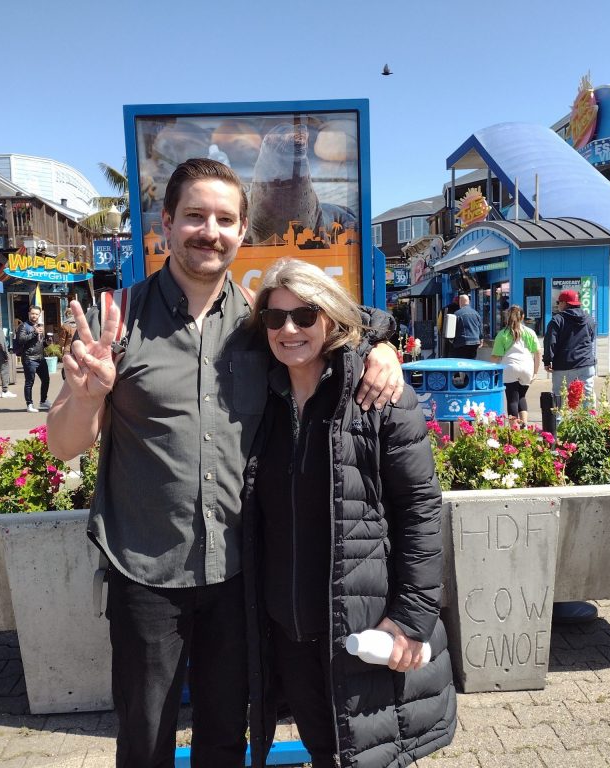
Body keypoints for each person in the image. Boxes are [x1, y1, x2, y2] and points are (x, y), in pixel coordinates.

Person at [46, 158, 403, 768]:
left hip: (239, 574)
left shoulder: (259, 321)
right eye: (194, 216)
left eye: (224, 219)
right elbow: (63, 444)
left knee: (224, 739)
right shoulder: (120, 320)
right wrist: (87, 397)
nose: (209, 231)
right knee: (146, 739)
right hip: (146, 570)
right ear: (166, 223)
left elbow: (334, 326)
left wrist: (385, 348)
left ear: (242, 233)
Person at [243, 259, 456, 768]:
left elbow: (420, 509)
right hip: (290, 630)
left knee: (370, 757)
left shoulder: (378, 395)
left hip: (363, 624)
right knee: (324, 752)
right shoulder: (260, 398)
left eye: (305, 315)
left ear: (332, 318)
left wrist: (411, 618)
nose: (289, 329)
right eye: (276, 319)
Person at [491, 304, 542, 425]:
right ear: (523, 317)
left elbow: (496, 356)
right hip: (527, 367)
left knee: (512, 399)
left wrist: (490, 370)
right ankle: (524, 426)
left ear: (507, 317)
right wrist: (535, 372)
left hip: (509, 367)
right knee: (522, 396)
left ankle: (514, 430)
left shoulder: (502, 334)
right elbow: (538, 353)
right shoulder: (530, 332)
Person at [543, 289, 597, 403]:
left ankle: (559, 421)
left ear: (564, 303)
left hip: (563, 365)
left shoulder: (557, 320)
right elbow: (591, 338)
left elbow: (550, 342)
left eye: (558, 302)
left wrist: (547, 361)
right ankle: (588, 420)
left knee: (560, 400)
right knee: (587, 399)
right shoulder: (588, 319)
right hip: (585, 364)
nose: (557, 305)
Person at [15, 305, 50, 413]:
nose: (34, 316)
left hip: (40, 357)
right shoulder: (23, 326)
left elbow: (39, 342)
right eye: (32, 313)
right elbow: (20, 340)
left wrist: (46, 343)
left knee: (46, 379)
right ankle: (29, 404)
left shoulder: (39, 326)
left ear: (39, 315)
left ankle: (43, 401)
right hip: (30, 358)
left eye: (36, 314)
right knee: (29, 382)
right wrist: (34, 333)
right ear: (29, 314)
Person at [451, 293, 483, 359]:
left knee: (461, 363)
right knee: (472, 361)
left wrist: (451, 340)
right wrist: (481, 339)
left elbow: (451, 330)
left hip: (461, 342)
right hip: (474, 342)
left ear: (460, 302)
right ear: (469, 302)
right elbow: (480, 327)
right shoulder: (476, 313)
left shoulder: (457, 314)